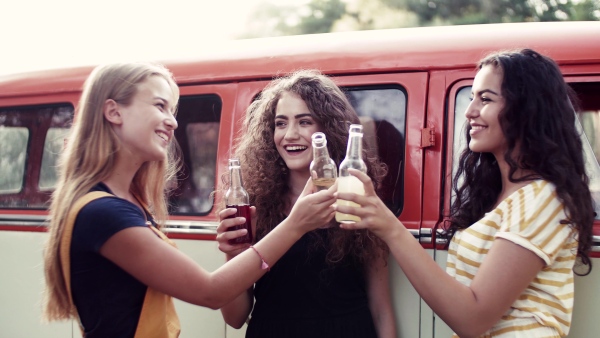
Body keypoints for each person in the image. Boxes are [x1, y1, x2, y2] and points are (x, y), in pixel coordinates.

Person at [41, 62, 337, 338]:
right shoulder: (103, 212)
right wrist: (296, 224)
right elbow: (211, 292)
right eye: (160, 106)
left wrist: (240, 250)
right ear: (114, 112)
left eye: (173, 111)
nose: (172, 122)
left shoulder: (126, 201)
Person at [335, 49, 595, 337]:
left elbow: (472, 318)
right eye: (471, 97)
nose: (470, 111)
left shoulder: (543, 198)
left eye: (485, 99)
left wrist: (389, 226)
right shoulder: (503, 194)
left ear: (526, 110)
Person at [216, 70, 397, 338]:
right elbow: (235, 318)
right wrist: (234, 252)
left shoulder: (357, 198)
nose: (289, 134)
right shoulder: (252, 207)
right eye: (280, 123)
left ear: (329, 129)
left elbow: (381, 309)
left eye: (304, 122)